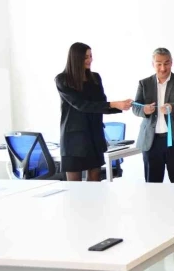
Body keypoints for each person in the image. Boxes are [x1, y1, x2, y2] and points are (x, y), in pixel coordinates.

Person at [55, 42, 132, 181]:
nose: (90, 60)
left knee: (95, 184)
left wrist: (122, 106)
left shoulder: (95, 78)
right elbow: (82, 105)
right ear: (76, 58)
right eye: (86, 57)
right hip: (73, 140)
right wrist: (115, 104)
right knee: (74, 187)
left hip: (94, 136)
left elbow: (101, 105)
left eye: (91, 56)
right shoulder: (62, 80)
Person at [132, 48, 174, 183]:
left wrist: (172, 107)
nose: (163, 68)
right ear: (153, 64)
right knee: (152, 184)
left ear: (171, 63)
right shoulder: (144, 83)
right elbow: (136, 107)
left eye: (166, 63)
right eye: (159, 64)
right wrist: (144, 110)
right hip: (152, 141)